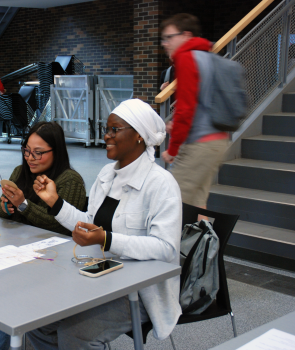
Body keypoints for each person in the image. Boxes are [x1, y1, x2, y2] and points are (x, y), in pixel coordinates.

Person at [28, 99, 182, 350]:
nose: (106, 135)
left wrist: (107, 239)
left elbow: (165, 248)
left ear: (139, 136)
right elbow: (90, 223)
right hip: (101, 274)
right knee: (36, 321)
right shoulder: (107, 174)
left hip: (140, 291)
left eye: (115, 129)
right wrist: (55, 202)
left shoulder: (161, 184)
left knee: (76, 334)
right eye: (106, 128)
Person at [0, 121, 87, 350]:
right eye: (27, 151)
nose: (31, 158)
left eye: (39, 153)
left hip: (50, 264)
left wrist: (23, 206)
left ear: (56, 151)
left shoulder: (70, 180)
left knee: (4, 303)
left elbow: (64, 230)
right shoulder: (21, 172)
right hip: (15, 253)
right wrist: (7, 207)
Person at [160, 13, 229, 210]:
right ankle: (203, 241)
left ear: (186, 35)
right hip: (216, 141)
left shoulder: (186, 57)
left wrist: (172, 149)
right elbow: (201, 104)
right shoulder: (206, 55)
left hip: (199, 145)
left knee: (172, 204)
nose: (165, 43)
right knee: (197, 205)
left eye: (169, 37)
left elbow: (185, 109)